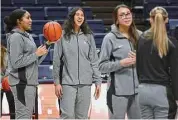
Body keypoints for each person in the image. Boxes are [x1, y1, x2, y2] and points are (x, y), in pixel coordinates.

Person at [53, 7, 101, 119]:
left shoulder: (88, 36)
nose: (80, 17)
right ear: (72, 17)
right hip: (68, 83)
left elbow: (94, 60)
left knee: (82, 117)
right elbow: (56, 61)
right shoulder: (62, 36)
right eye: (77, 14)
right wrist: (57, 83)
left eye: (82, 15)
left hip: (85, 83)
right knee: (67, 116)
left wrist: (98, 81)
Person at [99, 4, 142, 119]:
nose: (126, 17)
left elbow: (150, 62)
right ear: (117, 20)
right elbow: (101, 66)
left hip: (138, 92)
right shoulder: (110, 38)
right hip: (117, 93)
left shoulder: (140, 36)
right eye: (122, 15)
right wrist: (121, 63)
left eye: (128, 14)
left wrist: (140, 59)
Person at [4, 9, 48, 119]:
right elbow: (16, 63)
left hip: (29, 82)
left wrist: (47, 44)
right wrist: (36, 54)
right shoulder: (15, 37)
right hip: (21, 83)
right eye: (27, 18)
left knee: (26, 116)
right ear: (19, 21)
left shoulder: (28, 36)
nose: (31, 20)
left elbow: (34, 62)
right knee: (23, 117)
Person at [136, 6, 178, 119]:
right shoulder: (172, 43)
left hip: (143, 90)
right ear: (166, 20)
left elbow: (138, 68)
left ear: (150, 19)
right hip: (162, 91)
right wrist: (176, 97)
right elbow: (175, 73)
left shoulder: (141, 40)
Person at [1, 44, 15, 119]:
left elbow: (12, 66)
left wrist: (7, 76)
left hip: (8, 82)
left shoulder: (7, 53)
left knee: (12, 105)